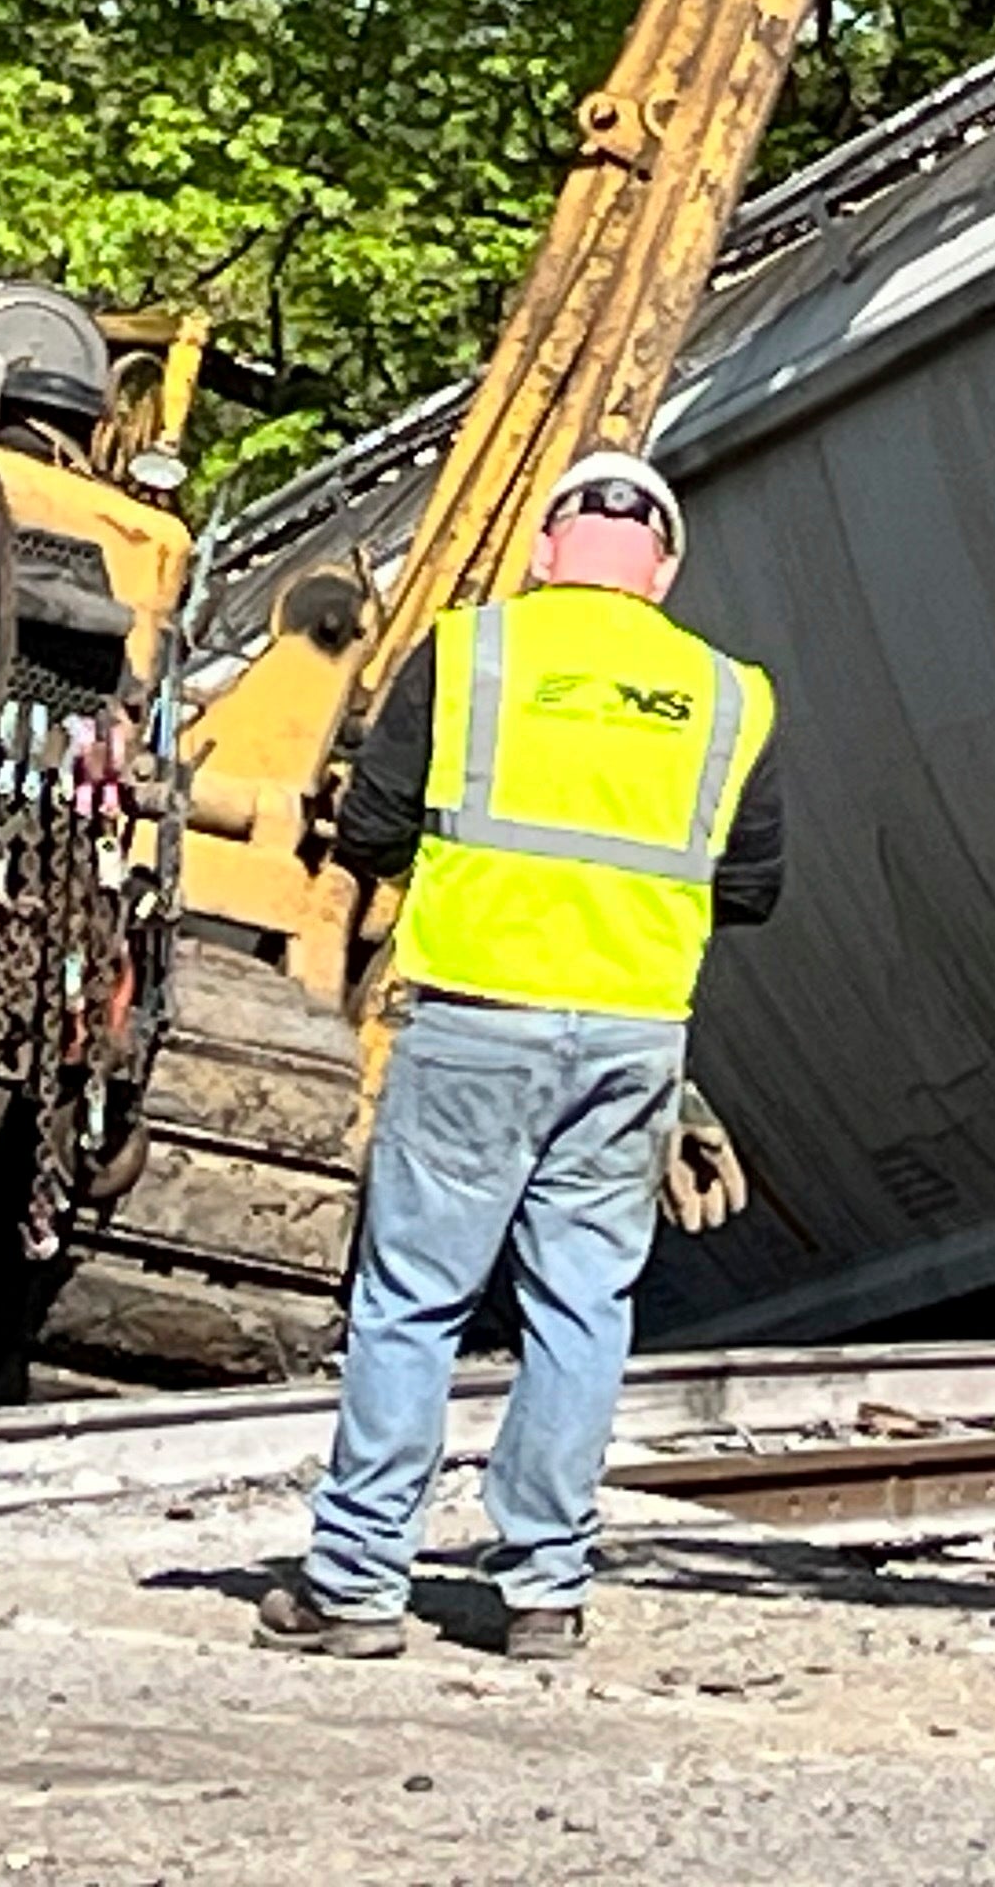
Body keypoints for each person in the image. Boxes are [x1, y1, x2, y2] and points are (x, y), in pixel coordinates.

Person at [254, 449, 781, 1663]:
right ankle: (546, 1588)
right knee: (583, 1306)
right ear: (664, 573)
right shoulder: (730, 694)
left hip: (475, 1022)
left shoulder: (470, 651)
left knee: (411, 1300)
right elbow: (751, 886)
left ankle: (357, 1584)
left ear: (545, 552)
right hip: (633, 1037)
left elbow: (374, 828)